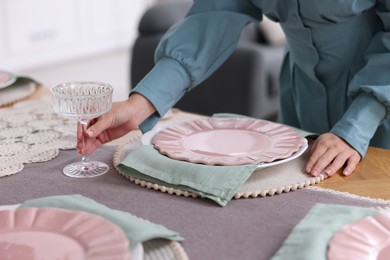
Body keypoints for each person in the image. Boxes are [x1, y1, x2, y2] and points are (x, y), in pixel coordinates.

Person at [78, 0, 390, 178]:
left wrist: (354, 129)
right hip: (299, 95)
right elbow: (217, 13)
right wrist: (144, 101)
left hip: (378, 107)